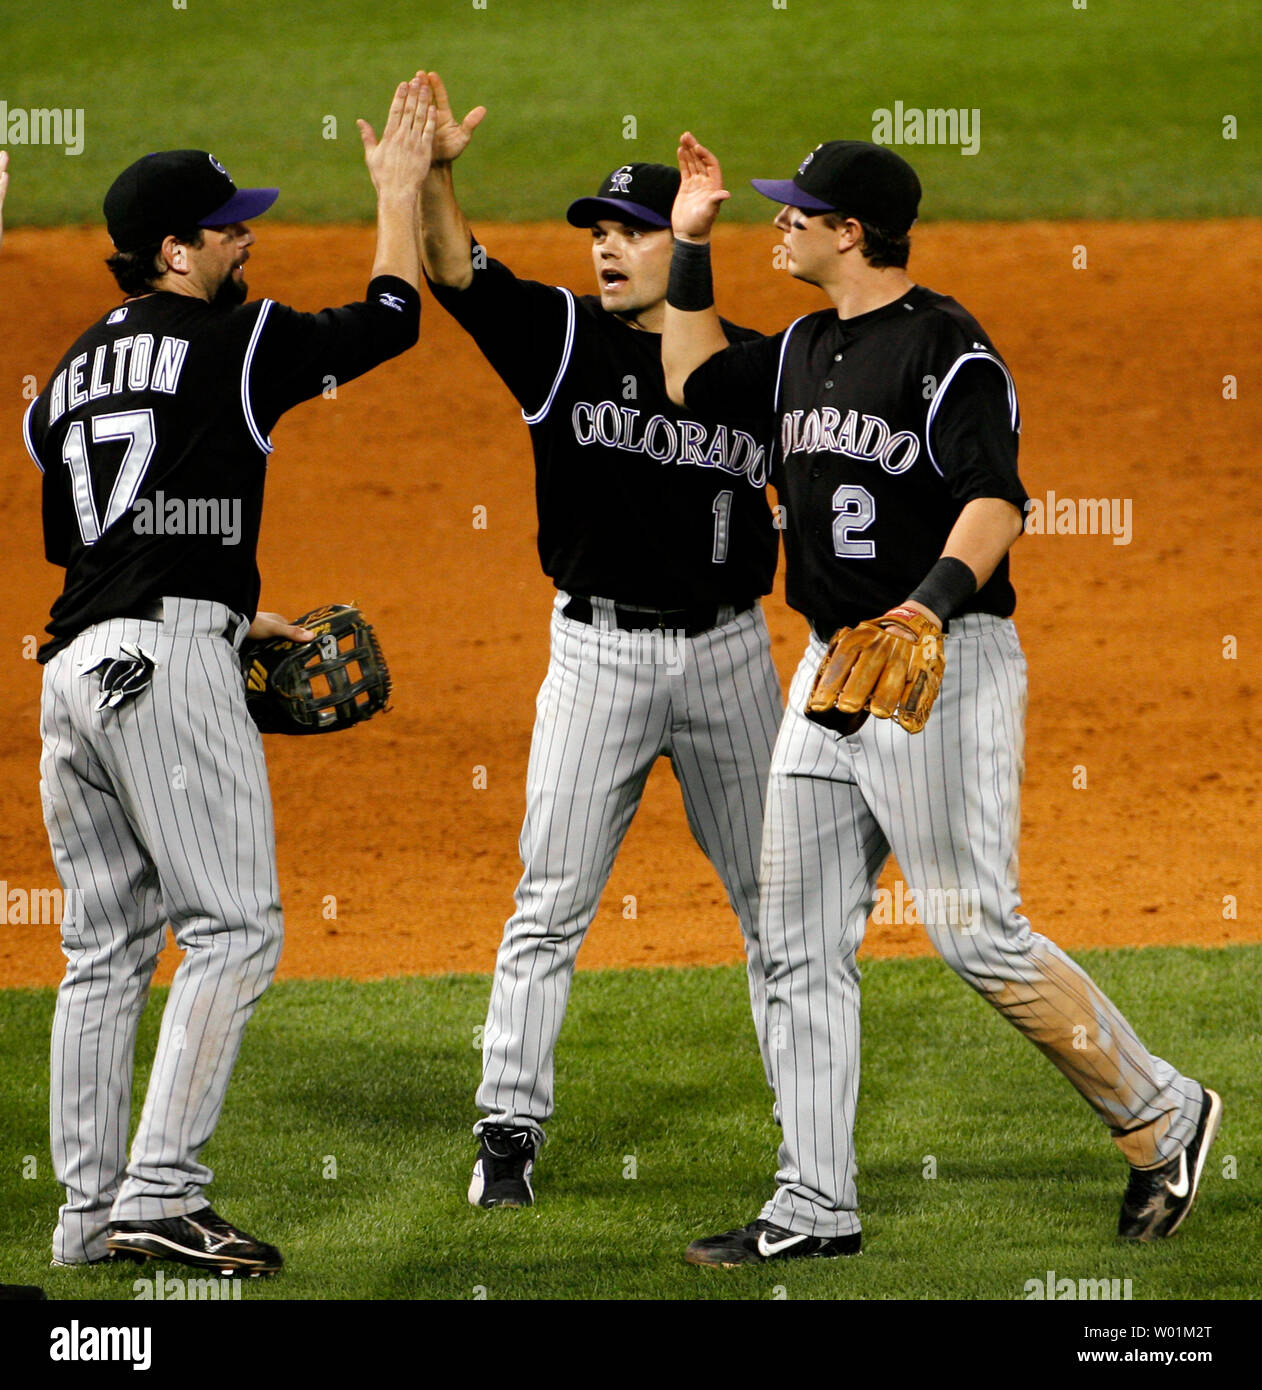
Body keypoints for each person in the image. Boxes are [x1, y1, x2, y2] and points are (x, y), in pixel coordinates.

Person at [660, 134, 1221, 1265]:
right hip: (830, 672)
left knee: (973, 932)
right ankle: (812, 1203)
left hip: (936, 664)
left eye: (795, 211)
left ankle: (1161, 1112)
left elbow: (995, 502)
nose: (779, 223)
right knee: (795, 937)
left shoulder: (946, 350)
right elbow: (685, 374)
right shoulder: (799, 349)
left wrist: (921, 604)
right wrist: (686, 241)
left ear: (849, 231)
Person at [24, 76, 437, 1274]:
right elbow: (393, 315)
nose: (245, 238)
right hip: (161, 671)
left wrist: (235, 610)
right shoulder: (238, 337)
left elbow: (85, 506)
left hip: (73, 670)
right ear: (174, 250)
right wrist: (398, 193)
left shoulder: (69, 373)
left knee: (103, 950)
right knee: (237, 929)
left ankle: (87, 1218)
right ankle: (162, 1191)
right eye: (226, 227)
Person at [419, 74, 782, 1208]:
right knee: (550, 899)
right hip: (598, 656)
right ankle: (504, 1135)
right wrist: (433, 172)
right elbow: (450, 269)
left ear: (686, 241)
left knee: (782, 907)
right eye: (598, 234)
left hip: (732, 657)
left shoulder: (754, 369)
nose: (605, 251)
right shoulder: (554, 337)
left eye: (629, 233)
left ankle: (808, 1133)